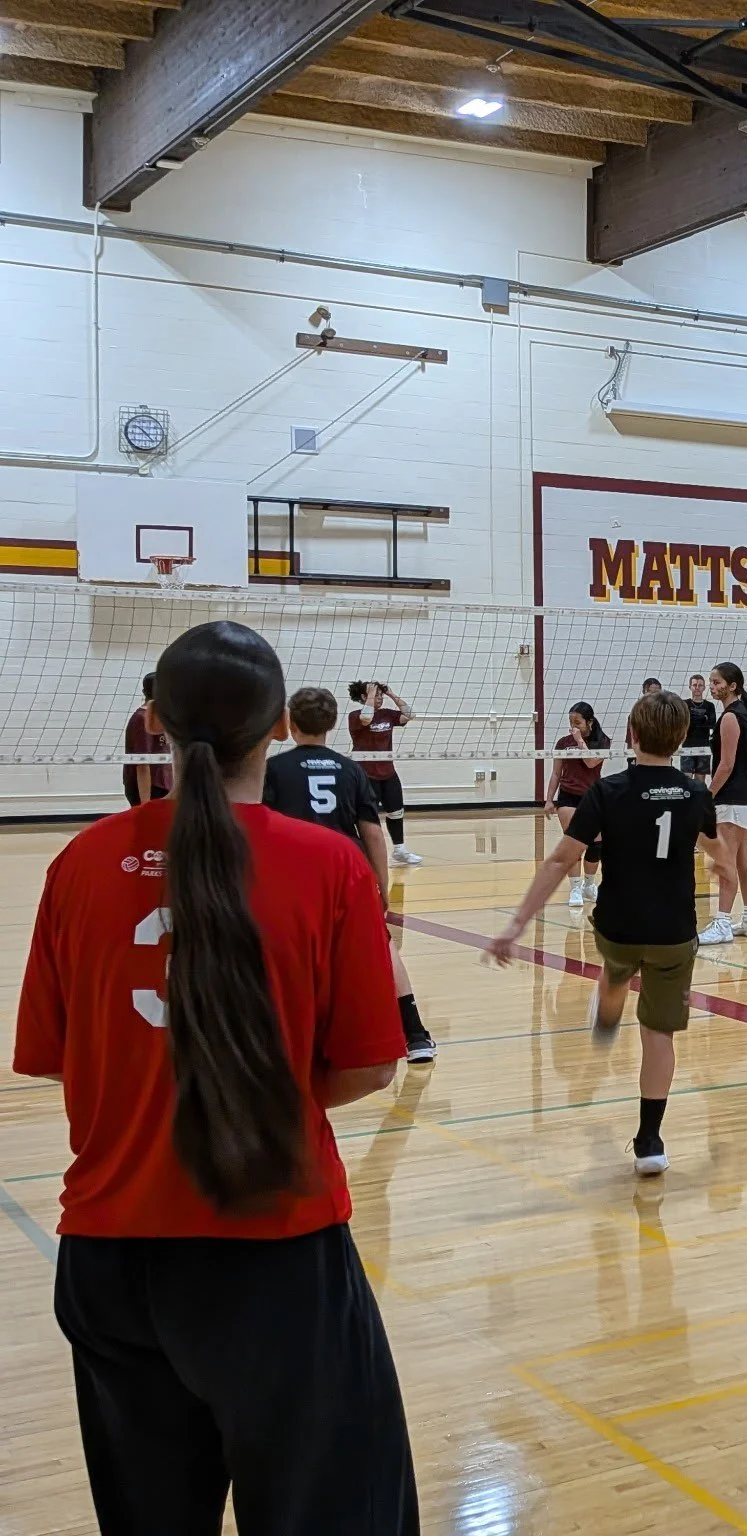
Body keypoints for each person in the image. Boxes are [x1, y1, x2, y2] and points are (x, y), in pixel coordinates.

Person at [14, 621, 416, 1532]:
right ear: (277, 727)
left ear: (153, 721)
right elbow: (368, 1064)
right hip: (274, 1251)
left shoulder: (81, 861)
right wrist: (257, 1092)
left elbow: (53, 1054)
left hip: (111, 1258)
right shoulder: (327, 865)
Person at [487, 690, 731, 1172]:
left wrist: (516, 925)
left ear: (631, 735)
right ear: (683, 737)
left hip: (618, 926)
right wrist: (722, 867)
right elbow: (716, 850)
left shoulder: (609, 791)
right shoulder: (696, 794)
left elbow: (560, 861)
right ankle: (650, 1143)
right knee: (659, 1034)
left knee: (617, 967)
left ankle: (610, 1000)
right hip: (674, 932)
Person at [265, 686, 436, 1064]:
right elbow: (372, 832)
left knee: (288, 951)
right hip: (348, 872)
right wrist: (382, 885)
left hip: (298, 876)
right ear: (331, 725)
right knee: (382, 946)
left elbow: (262, 829)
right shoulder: (351, 769)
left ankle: (291, 1039)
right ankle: (415, 1036)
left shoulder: (273, 770)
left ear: (290, 724)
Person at [699, 661, 747, 946]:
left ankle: (723, 922)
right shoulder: (742, 713)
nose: (711, 687)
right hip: (746, 796)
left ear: (732, 685)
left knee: (725, 862)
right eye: (711, 682)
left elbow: (725, 765)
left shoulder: (730, 717)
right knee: (742, 859)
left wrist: (707, 795)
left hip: (734, 798)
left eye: (716, 682)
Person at [348, 680, 422, 865]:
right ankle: (364, 852)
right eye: (376, 695)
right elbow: (366, 719)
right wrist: (371, 696)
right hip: (366, 775)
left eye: (381, 695)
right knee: (367, 817)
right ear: (364, 697)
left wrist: (391, 694)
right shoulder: (355, 716)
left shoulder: (387, 715)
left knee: (396, 812)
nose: (379, 698)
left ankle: (400, 850)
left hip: (388, 773)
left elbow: (410, 714)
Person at [545, 703, 610, 908]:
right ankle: (575, 888)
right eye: (571, 722)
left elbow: (591, 763)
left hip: (592, 797)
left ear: (589, 722)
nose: (573, 726)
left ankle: (589, 885)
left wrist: (580, 741)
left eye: (577, 722)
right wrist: (549, 799)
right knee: (574, 843)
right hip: (568, 797)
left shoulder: (602, 741)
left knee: (596, 845)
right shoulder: (563, 743)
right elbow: (556, 773)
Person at [122, 671, 172, 806]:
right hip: (149, 788)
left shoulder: (160, 717)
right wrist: (145, 804)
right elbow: (142, 764)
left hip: (162, 785)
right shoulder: (142, 719)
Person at [683, 673, 717, 779]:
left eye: (700, 685)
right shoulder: (684, 704)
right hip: (687, 746)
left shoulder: (709, 706)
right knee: (686, 778)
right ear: (690, 687)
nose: (697, 687)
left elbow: (712, 724)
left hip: (704, 747)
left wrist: (702, 720)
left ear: (704, 688)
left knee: (700, 781)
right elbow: (681, 723)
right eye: (694, 685)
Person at [621, 677, 661, 750]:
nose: (653, 696)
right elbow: (631, 740)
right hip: (642, 752)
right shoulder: (635, 714)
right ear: (644, 692)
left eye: (656, 693)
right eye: (650, 692)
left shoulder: (666, 713)